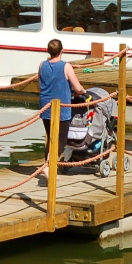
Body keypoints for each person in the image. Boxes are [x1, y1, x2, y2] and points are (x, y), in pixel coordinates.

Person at [37, 39, 86, 178]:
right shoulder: (66, 66)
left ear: (48, 51)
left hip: (45, 105)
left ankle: (49, 167)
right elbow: (77, 87)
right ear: (62, 51)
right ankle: (48, 166)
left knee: (50, 137)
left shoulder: (42, 65)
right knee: (61, 139)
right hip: (62, 107)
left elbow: (39, 84)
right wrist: (83, 91)